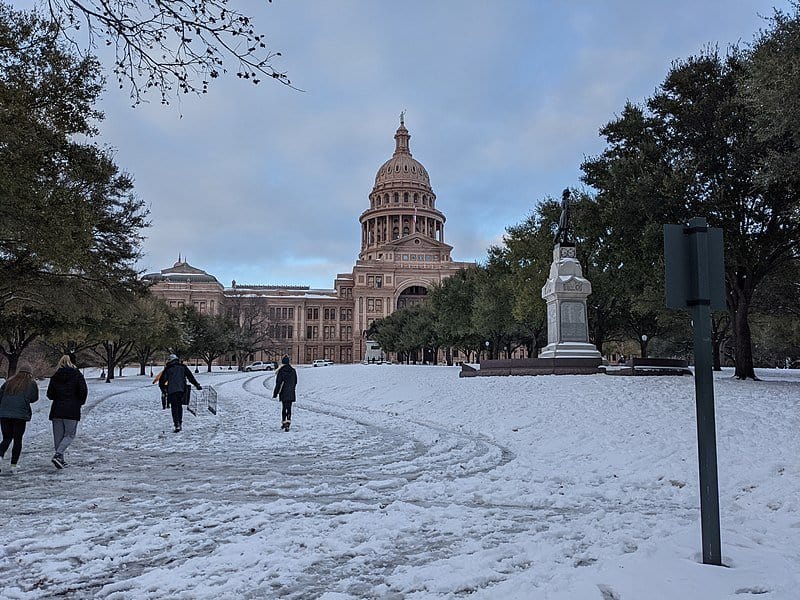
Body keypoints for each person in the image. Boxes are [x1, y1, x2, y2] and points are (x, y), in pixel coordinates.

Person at [46, 355, 88, 469]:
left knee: (58, 437)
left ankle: (60, 459)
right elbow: (83, 391)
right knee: (70, 434)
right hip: (72, 410)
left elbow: (50, 395)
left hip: (57, 410)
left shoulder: (55, 376)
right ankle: (58, 455)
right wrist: (79, 402)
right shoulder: (77, 374)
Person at [0, 362, 39, 473]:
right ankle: (13, 465)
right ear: (30, 373)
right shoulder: (31, 383)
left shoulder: (9, 382)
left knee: (6, 438)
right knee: (18, 440)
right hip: (20, 415)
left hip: (4, 414)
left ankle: (0, 456)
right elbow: (34, 398)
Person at [158, 354, 202, 433]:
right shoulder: (183, 367)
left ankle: (176, 424)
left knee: (174, 407)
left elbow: (161, 381)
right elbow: (190, 377)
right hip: (182, 390)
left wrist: (164, 390)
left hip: (171, 391)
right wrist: (197, 385)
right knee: (179, 406)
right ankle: (180, 422)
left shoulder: (168, 369)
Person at [272, 355, 297, 431]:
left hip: (283, 392)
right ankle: (288, 422)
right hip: (291, 392)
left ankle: (284, 422)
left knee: (284, 408)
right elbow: (295, 382)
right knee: (289, 408)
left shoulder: (281, 371)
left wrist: (275, 393)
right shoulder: (293, 371)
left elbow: (278, 383)